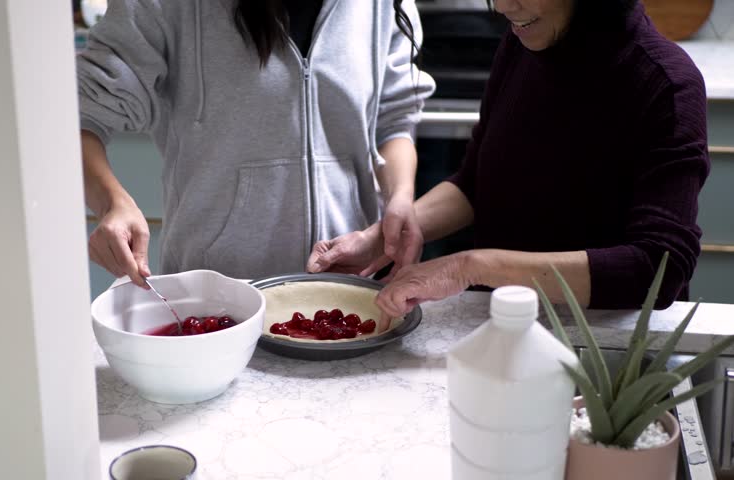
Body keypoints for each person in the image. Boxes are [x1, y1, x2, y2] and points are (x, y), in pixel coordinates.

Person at [308, 0, 710, 317]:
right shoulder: (524, 43)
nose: (502, 5)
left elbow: (659, 268)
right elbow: (476, 183)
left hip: (606, 355)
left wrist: (469, 267)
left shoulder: (665, 83)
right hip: (508, 329)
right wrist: (382, 237)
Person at [77, 0, 435, 287]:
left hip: (346, 291)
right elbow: (79, 118)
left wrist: (400, 198)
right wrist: (112, 204)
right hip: (216, 300)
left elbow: (393, 119)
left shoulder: (383, 5)